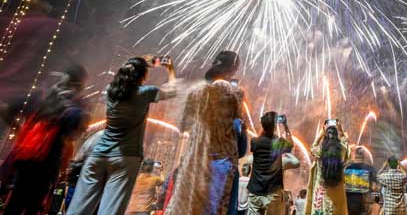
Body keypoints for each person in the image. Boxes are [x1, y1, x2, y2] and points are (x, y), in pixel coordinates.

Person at [67, 56, 178, 215]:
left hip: (97, 155)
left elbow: (128, 74)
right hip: (125, 158)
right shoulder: (145, 93)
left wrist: (140, 63)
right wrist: (170, 69)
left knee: (78, 209)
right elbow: (172, 91)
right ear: (143, 76)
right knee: (110, 210)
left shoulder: (112, 92)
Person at [1, 65, 89, 215]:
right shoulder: (76, 105)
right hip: (47, 162)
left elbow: (4, 108)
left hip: (25, 158)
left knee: (16, 201)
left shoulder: (41, 95)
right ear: (79, 83)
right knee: (34, 206)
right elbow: (72, 136)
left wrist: (18, 129)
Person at [166, 51, 245, 215]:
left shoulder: (194, 92)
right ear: (232, 70)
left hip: (195, 162)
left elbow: (184, 126)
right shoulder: (235, 94)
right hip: (222, 164)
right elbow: (241, 143)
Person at [248, 111, 294, 215]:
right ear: (274, 126)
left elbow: (261, 138)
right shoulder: (277, 143)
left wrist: (266, 126)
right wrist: (286, 126)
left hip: (255, 191)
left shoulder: (255, 142)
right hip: (273, 193)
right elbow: (291, 144)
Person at [305, 120, 351, 215]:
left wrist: (320, 134)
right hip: (337, 191)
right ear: (336, 136)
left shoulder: (321, 150)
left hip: (321, 190)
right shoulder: (342, 150)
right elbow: (348, 153)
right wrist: (341, 132)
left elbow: (312, 148)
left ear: (326, 136)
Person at [345, 148, 377, 215]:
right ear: (364, 157)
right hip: (364, 204)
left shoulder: (347, 169)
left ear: (354, 156)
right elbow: (374, 187)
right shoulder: (371, 169)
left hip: (349, 203)